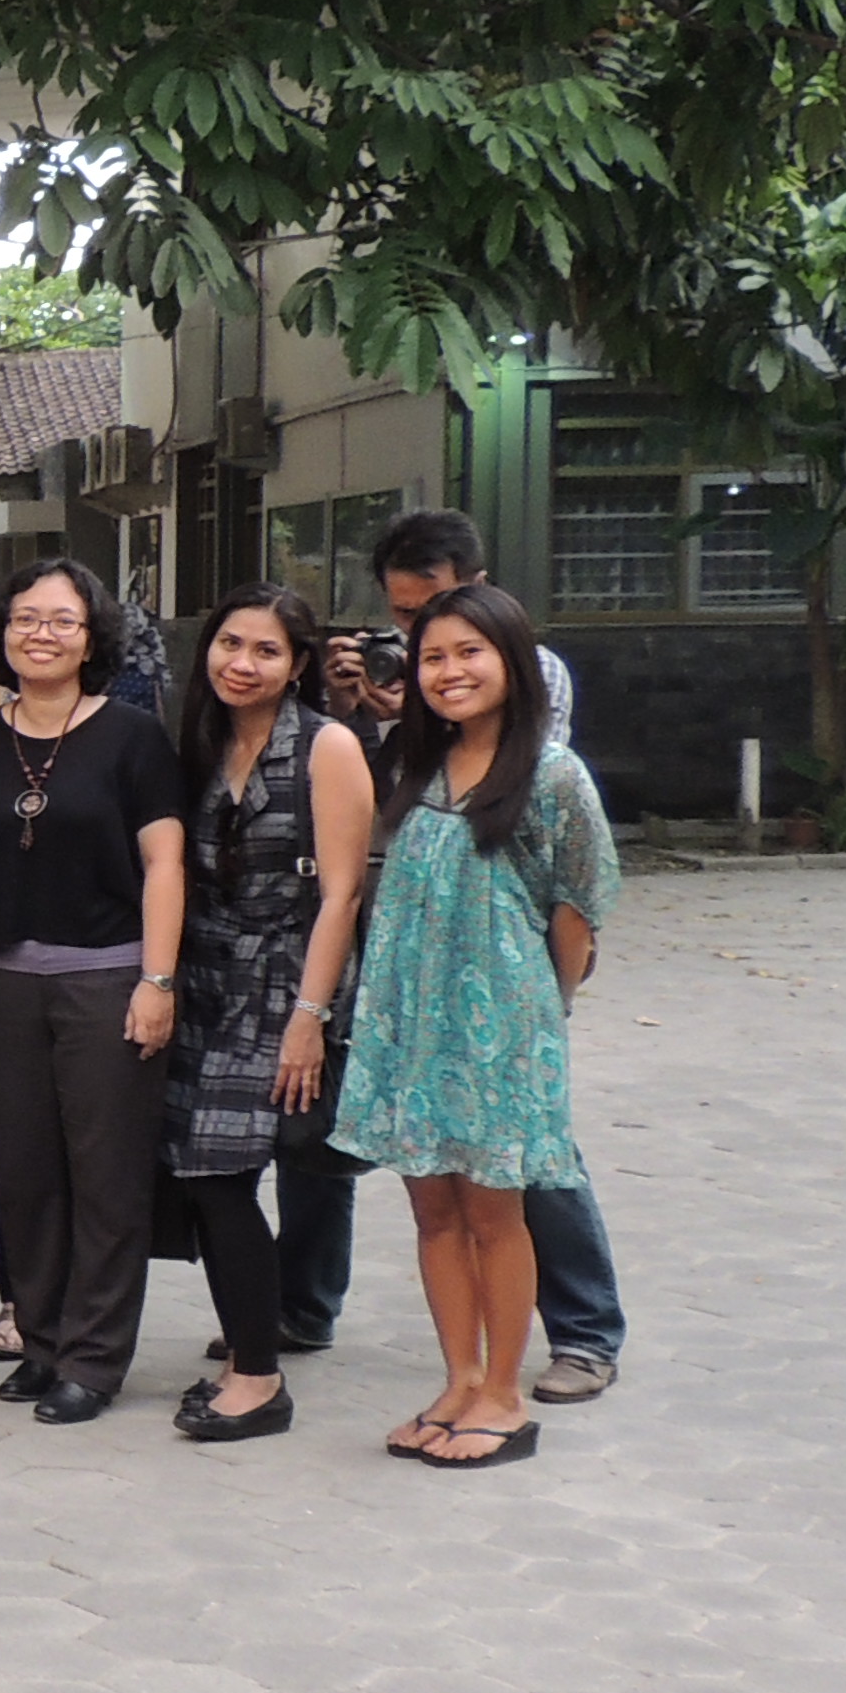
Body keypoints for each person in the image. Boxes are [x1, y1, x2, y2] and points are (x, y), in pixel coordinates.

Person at [335, 580, 619, 1471]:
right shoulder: (417, 766)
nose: (449, 672)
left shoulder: (553, 773)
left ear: (512, 663)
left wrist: (540, 1006)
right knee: (433, 1210)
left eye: (469, 653)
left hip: (504, 1027)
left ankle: (502, 1392)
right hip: (411, 1023)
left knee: (498, 1214)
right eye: (432, 657)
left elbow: (578, 909)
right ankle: (458, 1379)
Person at [0, 554, 186, 1424]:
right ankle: (44, 1341)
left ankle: (93, 1358)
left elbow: (165, 862)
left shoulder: (132, 736)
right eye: (24, 619)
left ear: (92, 638)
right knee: (22, 1174)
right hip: (8, 986)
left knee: (106, 1175)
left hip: (108, 977)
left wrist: (157, 979)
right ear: (0, 633)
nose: (40, 635)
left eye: (61, 621)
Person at [159, 585, 376, 1446]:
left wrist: (309, 1018)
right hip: (203, 979)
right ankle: (250, 1345)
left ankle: (258, 1376)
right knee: (208, 1174)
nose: (241, 665)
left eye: (266, 652)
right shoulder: (202, 741)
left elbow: (342, 894)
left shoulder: (327, 748)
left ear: (299, 666)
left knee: (221, 1175)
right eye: (229, 644)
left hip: (284, 982)